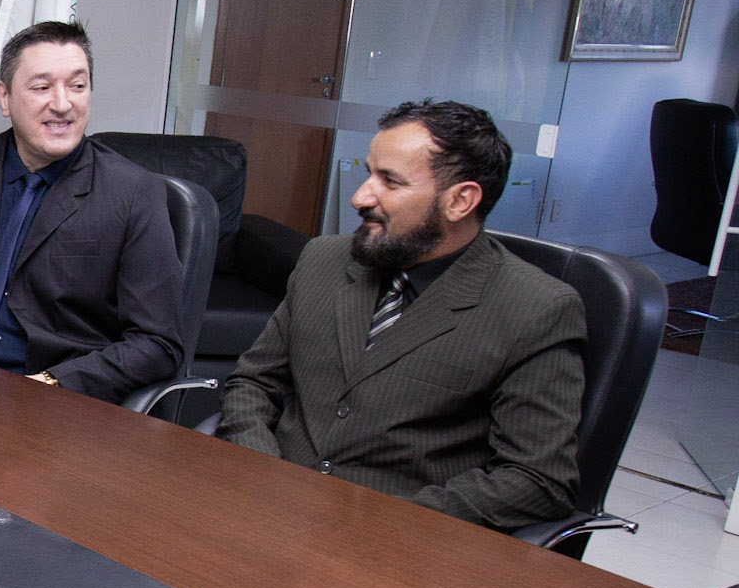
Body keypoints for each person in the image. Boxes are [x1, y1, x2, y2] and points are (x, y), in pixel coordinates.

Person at [218, 99, 584, 531]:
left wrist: (376, 519)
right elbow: (254, 383)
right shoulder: (324, 260)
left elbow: (537, 481)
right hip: (264, 508)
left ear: (460, 201)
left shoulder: (536, 309)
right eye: (368, 172)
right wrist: (263, 470)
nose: (359, 196)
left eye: (390, 181)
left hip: (396, 544)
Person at [0, 20, 183, 403]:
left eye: (77, 86)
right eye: (42, 87)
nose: (62, 104)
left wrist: (53, 382)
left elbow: (159, 343)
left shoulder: (133, 194)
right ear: (5, 98)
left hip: (54, 408)